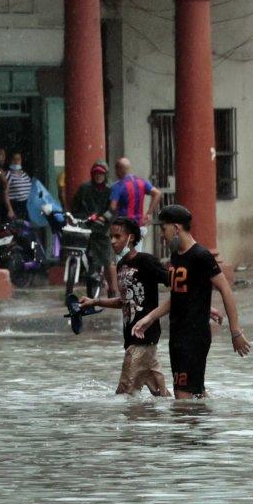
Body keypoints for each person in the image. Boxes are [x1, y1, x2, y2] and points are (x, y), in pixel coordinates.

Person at [131, 204, 251, 399]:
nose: (162, 234)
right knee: (195, 395)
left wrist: (235, 332)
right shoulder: (176, 256)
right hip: (177, 335)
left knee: (182, 398)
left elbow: (225, 290)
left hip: (194, 337)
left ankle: (198, 427)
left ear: (176, 228)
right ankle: (207, 425)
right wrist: (150, 318)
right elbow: (178, 296)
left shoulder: (201, 256)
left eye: (163, 228)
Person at [78, 217, 170, 397]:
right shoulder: (121, 265)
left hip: (142, 338)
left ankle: (130, 425)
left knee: (123, 394)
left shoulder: (146, 261)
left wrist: (201, 305)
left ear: (131, 237)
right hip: (132, 338)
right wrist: (95, 301)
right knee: (161, 395)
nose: (112, 241)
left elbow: (176, 284)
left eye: (117, 236)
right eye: (110, 237)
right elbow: (124, 301)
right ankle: (184, 414)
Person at [71, 160, 119, 296]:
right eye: (96, 173)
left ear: (105, 175)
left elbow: (113, 209)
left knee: (107, 259)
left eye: (101, 174)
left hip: (102, 227)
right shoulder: (84, 188)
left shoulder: (110, 191)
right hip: (85, 226)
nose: (99, 176)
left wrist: (103, 218)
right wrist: (80, 217)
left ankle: (112, 289)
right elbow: (75, 207)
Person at [109, 157, 159, 231]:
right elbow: (157, 193)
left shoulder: (117, 186)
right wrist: (149, 213)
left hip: (124, 226)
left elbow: (113, 207)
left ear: (118, 170)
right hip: (139, 225)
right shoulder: (142, 182)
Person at [0, 152, 32, 221]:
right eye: (14, 159)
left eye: (18, 159)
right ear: (9, 161)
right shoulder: (8, 175)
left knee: (26, 230)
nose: (16, 161)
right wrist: (10, 209)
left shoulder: (25, 175)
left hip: (25, 207)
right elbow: (5, 193)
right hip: (14, 206)